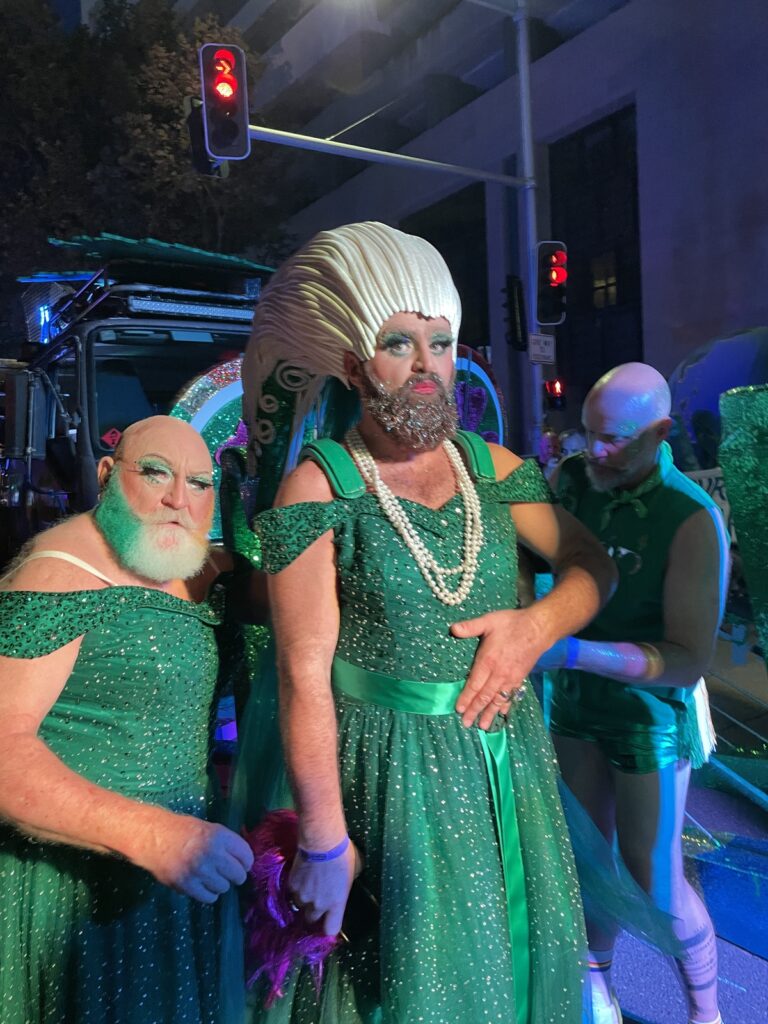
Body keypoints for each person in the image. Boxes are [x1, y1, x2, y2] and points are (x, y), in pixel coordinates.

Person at [236, 221, 617, 1023]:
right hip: (388, 783)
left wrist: (535, 626)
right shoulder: (317, 490)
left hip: (505, 773)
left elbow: (593, 568)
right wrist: (327, 842)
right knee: (407, 990)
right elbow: (301, 672)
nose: (425, 368)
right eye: (399, 344)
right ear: (352, 364)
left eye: (440, 344)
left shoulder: (499, 470)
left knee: (508, 972)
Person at [0, 415, 255, 1024]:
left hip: (185, 880)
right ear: (108, 475)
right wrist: (154, 835)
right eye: (157, 474)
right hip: (76, 893)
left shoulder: (197, 568)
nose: (178, 499)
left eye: (199, 484)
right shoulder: (55, 576)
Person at [538, 363, 730, 1024]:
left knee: (655, 878)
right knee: (584, 860)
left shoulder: (691, 517)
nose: (594, 450)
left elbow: (685, 660)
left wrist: (570, 649)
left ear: (660, 433)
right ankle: (599, 995)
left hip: (650, 715)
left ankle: (706, 1012)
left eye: (613, 439)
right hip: (574, 704)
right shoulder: (570, 481)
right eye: (587, 434)